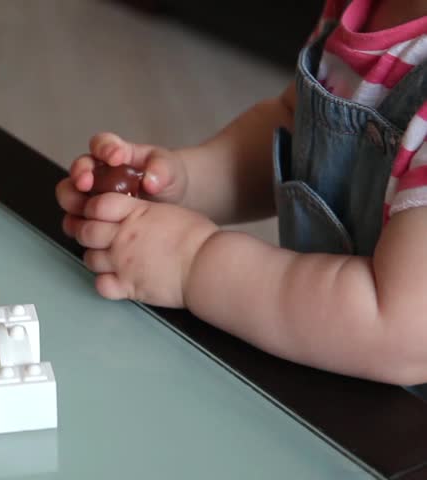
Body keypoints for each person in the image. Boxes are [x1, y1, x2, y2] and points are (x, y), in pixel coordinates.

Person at [56, 0, 427, 386]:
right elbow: (297, 126)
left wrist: (193, 262)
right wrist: (185, 183)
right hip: (307, 356)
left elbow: (398, 329)